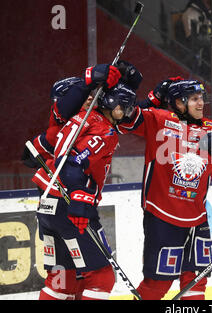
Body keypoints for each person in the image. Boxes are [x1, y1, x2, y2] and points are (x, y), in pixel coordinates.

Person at [31, 63, 139, 300]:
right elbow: (73, 163)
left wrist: (130, 85)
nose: (90, 100)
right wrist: (80, 197)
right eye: (124, 107)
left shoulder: (77, 120)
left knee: (62, 279)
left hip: (48, 205)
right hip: (70, 204)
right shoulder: (103, 130)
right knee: (102, 278)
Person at [116, 79, 212, 300]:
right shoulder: (160, 120)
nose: (200, 104)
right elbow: (122, 116)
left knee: (196, 282)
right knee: (157, 284)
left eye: (201, 99)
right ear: (179, 102)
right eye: (194, 99)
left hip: (197, 218)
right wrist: (153, 97)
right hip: (162, 217)